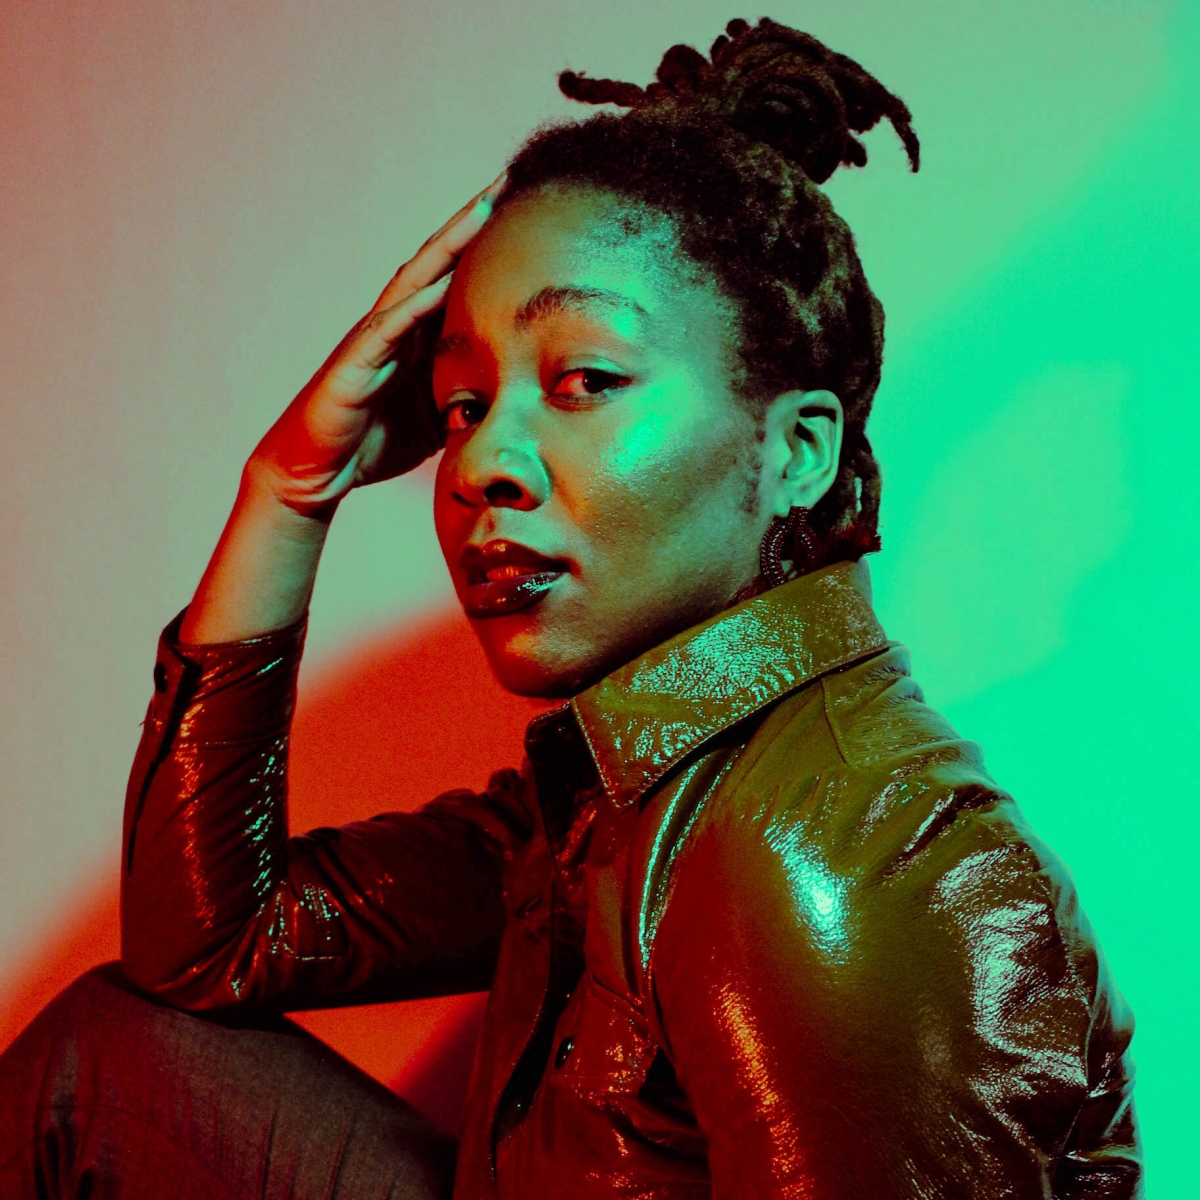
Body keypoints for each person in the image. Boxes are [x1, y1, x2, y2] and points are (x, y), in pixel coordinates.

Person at [0, 17, 1141, 1199]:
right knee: (110, 1066)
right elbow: (206, 945)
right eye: (461, 404)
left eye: (586, 379)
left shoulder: (838, 867)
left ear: (796, 451)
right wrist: (290, 490)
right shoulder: (611, 801)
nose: (483, 461)